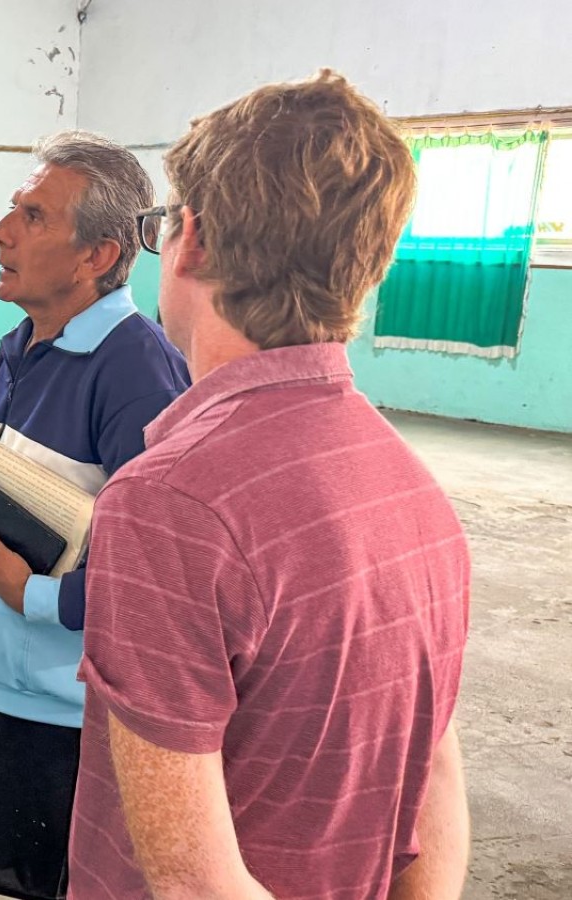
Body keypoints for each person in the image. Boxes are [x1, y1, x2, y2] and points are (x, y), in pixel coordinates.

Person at [71, 71, 470, 900]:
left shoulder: (169, 504)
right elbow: (431, 779)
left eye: (162, 225)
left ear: (199, 240)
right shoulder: (414, 492)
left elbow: (190, 883)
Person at [0, 132, 190, 900]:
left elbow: (161, 574)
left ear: (97, 256)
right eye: (14, 208)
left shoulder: (138, 373)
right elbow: (11, 514)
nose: (1, 232)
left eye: (33, 216)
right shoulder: (21, 345)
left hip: (63, 705)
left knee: (26, 884)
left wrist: (32, 599)